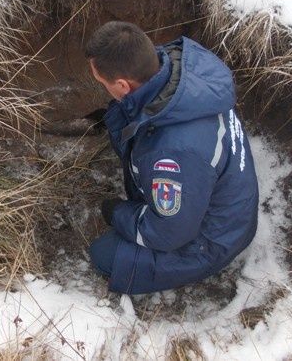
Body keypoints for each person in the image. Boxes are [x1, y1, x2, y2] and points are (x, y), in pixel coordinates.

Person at [85, 21, 259, 295]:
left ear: (122, 85)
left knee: (105, 255)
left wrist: (119, 213)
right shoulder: (180, 65)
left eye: (102, 82)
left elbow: (167, 233)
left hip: (215, 238)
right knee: (119, 116)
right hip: (216, 193)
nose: (102, 86)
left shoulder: (171, 153)